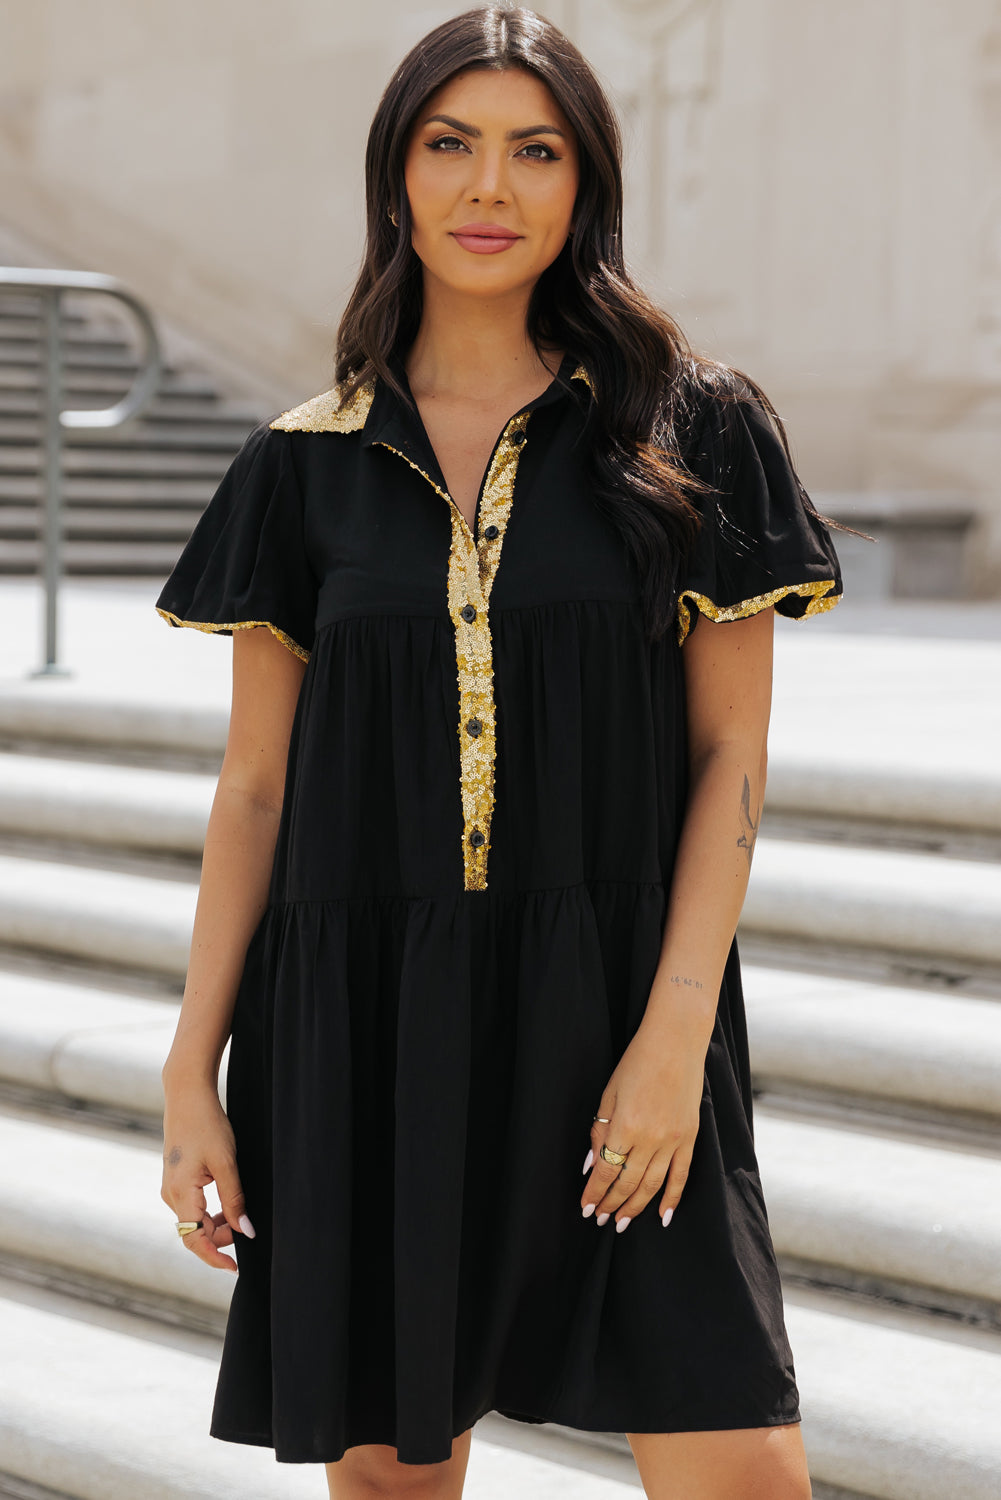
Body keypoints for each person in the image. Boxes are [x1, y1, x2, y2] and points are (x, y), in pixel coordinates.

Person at [157, 7, 842, 1498]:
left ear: (584, 180)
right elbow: (256, 790)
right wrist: (190, 1069)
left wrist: (671, 1044)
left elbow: (729, 759)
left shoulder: (690, 430)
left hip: (616, 1007)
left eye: (534, 151)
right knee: (394, 1471)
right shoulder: (305, 463)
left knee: (737, 1460)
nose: (489, 188)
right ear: (394, 176)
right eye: (447, 144)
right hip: (362, 1030)